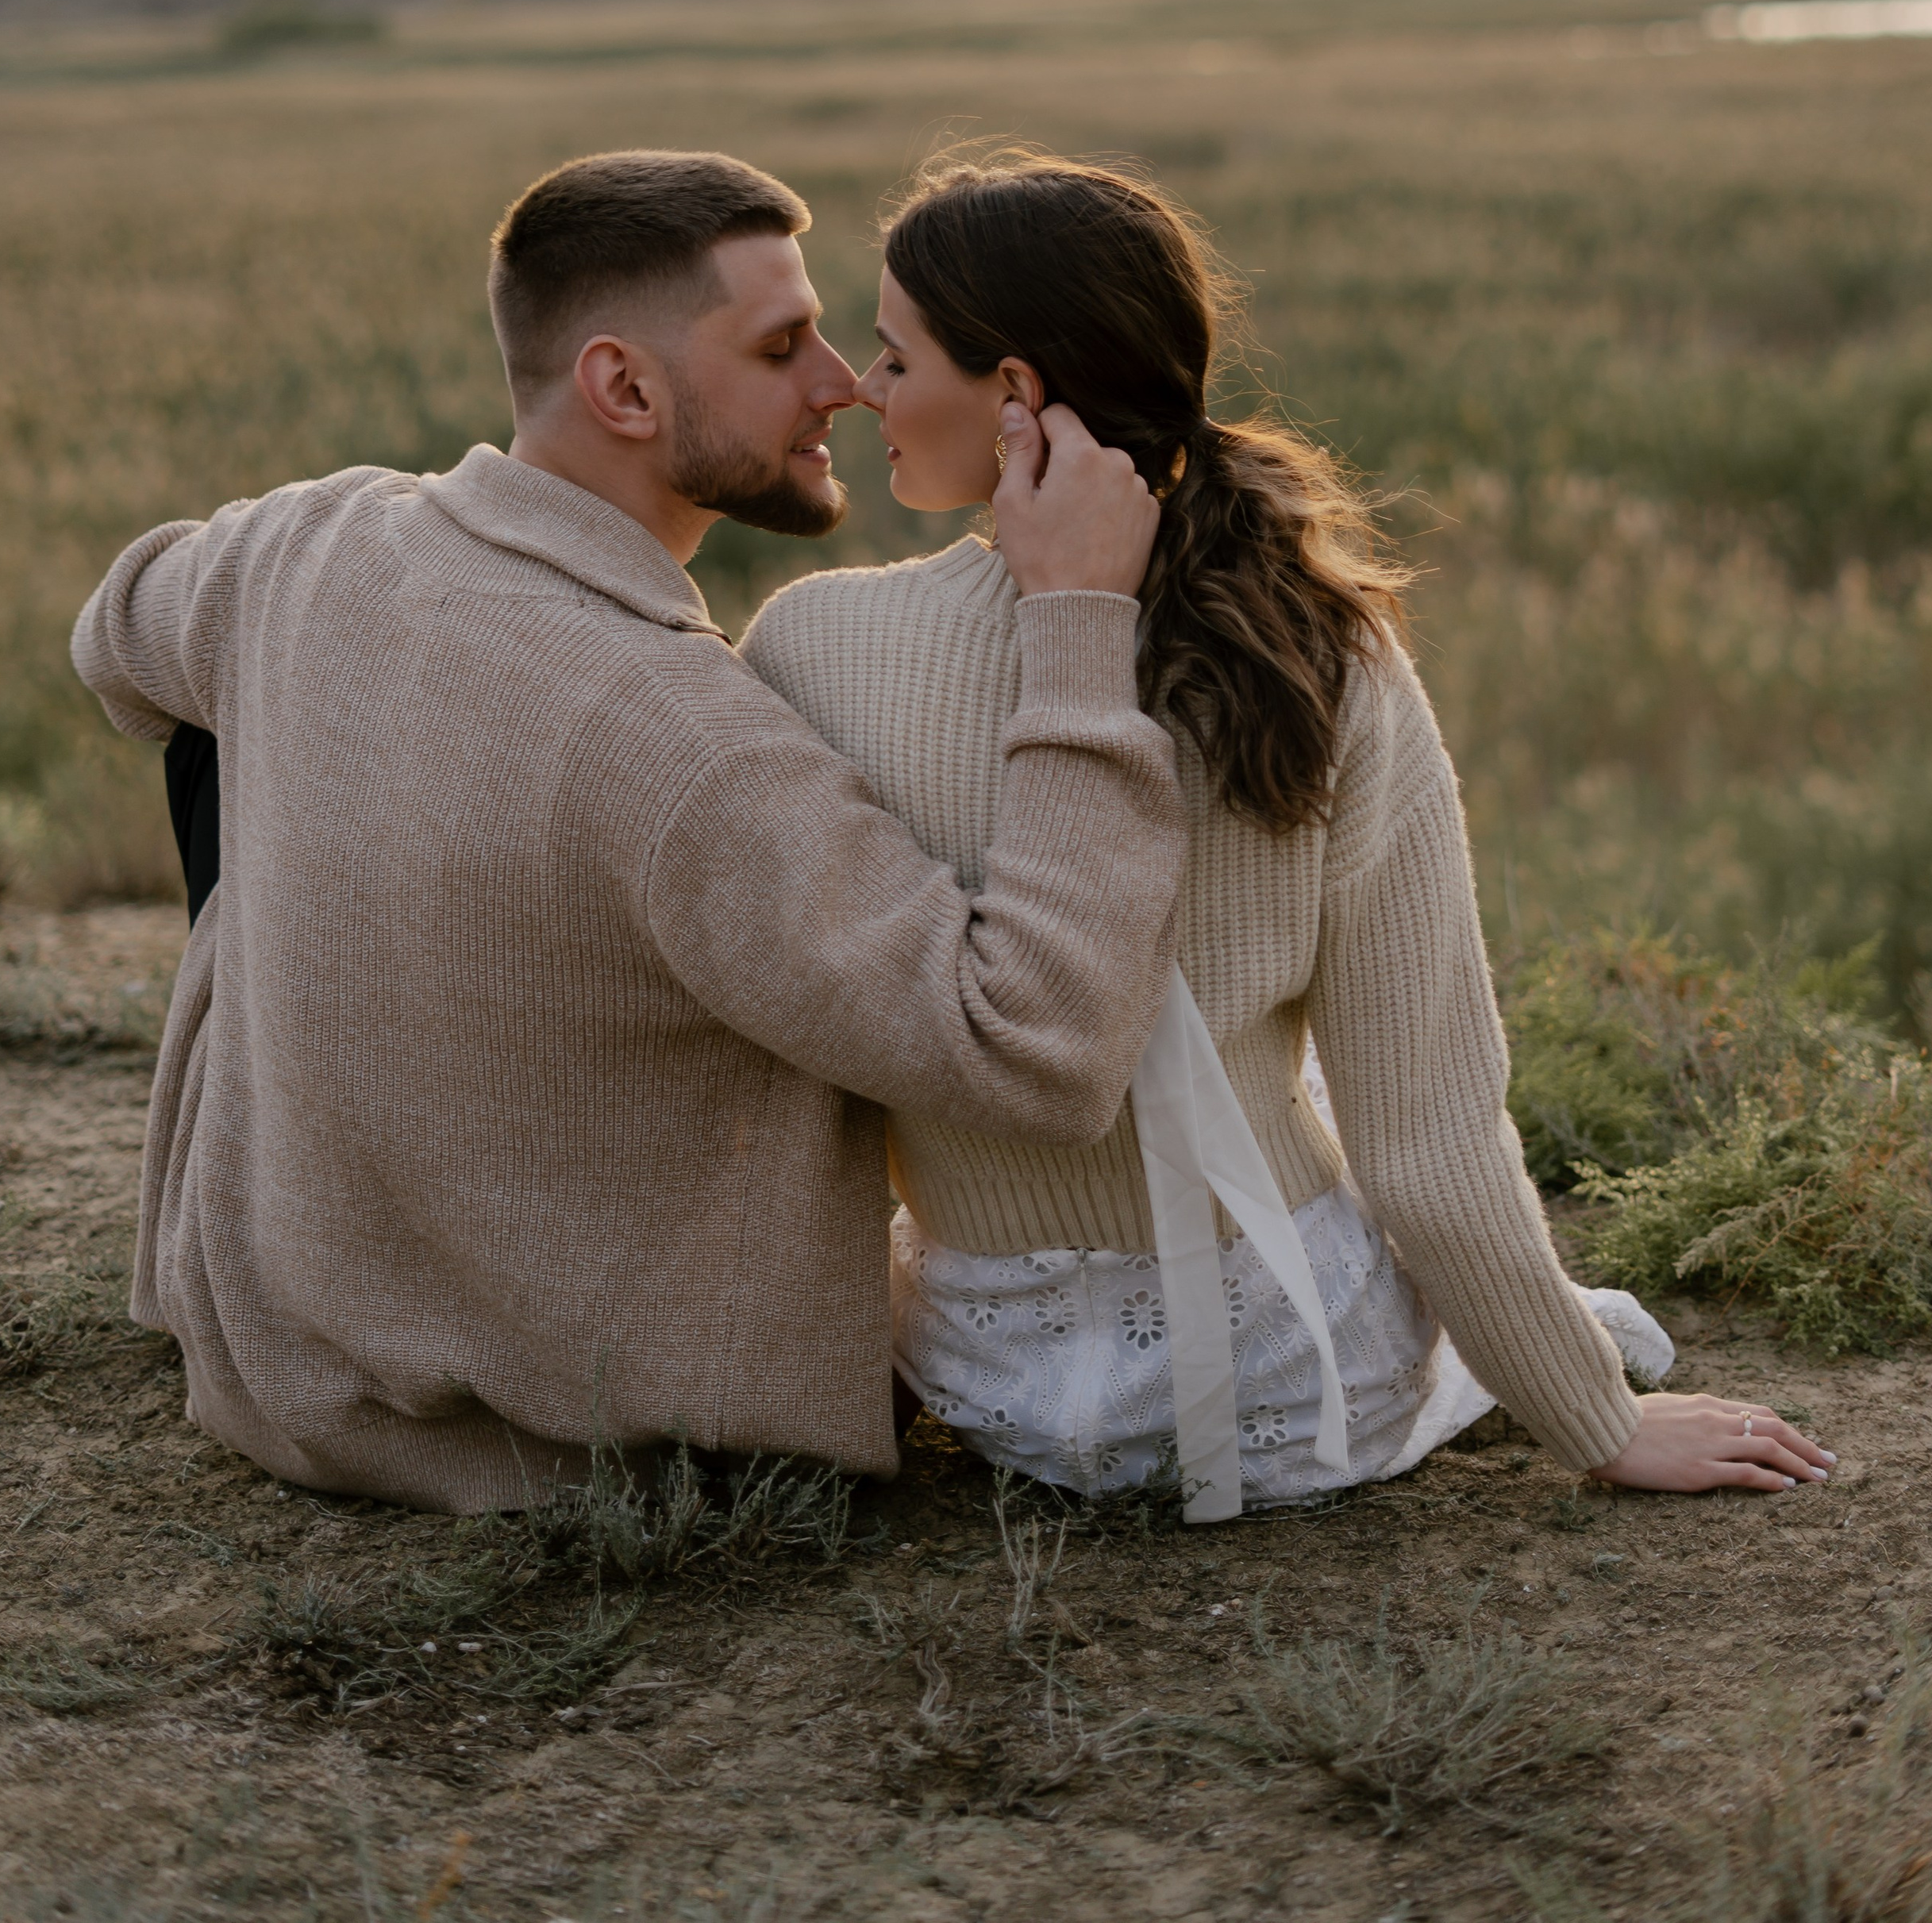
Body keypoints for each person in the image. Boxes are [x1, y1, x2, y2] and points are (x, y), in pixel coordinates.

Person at [71, 149, 1188, 1510]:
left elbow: (118, 628)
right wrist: (1080, 624)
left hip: (261, 1359)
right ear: (624, 388)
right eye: (783, 347)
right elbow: (1038, 1053)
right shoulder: (684, 749)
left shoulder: (302, 544)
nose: (841, 381)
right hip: (560, 1443)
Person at [740, 153, 1836, 1512]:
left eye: (897, 360)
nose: (861, 387)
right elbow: (1424, 1134)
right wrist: (1600, 1425)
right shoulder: (1324, 658)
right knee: (1548, 1296)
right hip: (1286, 1376)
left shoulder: (812, 649)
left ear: (1016, 395)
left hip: (990, 1381)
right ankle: (1558, 1340)